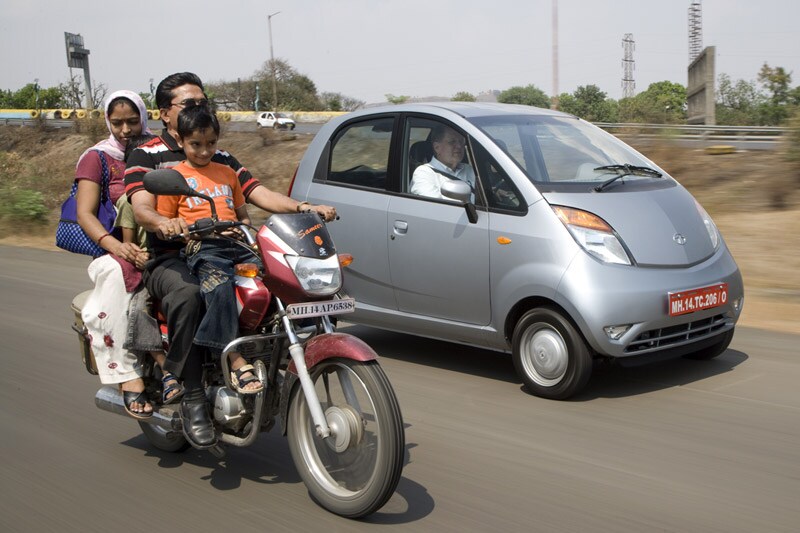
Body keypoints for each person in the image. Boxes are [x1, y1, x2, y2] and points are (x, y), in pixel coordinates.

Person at [125, 72, 336, 448]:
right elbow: (142, 206)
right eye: (189, 104)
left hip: (227, 245)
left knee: (279, 278)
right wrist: (164, 223)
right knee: (191, 293)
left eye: (202, 103)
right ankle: (193, 398)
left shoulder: (221, 158)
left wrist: (304, 207)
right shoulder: (148, 155)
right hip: (171, 255)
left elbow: (256, 194)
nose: (198, 109)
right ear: (165, 112)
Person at [75, 91, 169, 419]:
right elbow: (84, 213)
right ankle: (127, 375)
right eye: (117, 123)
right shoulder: (97, 157)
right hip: (113, 248)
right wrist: (117, 248)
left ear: (144, 117)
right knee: (116, 278)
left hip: (162, 242)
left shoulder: (157, 150)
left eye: (132, 121)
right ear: (108, 122)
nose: (125, 129)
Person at [161, 105, 263, 394]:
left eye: (211, 143)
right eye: (196, 144)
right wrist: (188, 231)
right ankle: (234, 357)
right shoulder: (174, 177)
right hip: (204, 248)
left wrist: (243, 231)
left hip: (237, 245)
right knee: (219, 286)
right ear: (180, 140)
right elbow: (167, 224)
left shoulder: (228, 173)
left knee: (278, 277)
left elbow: (243, 216)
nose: (205, 151)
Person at [410, 125, 476, 199]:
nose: (459, 146)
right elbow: (433, 204)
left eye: (461, 141)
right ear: (437, 147)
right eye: (452, 142)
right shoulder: (424, 173)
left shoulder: (470, 169)